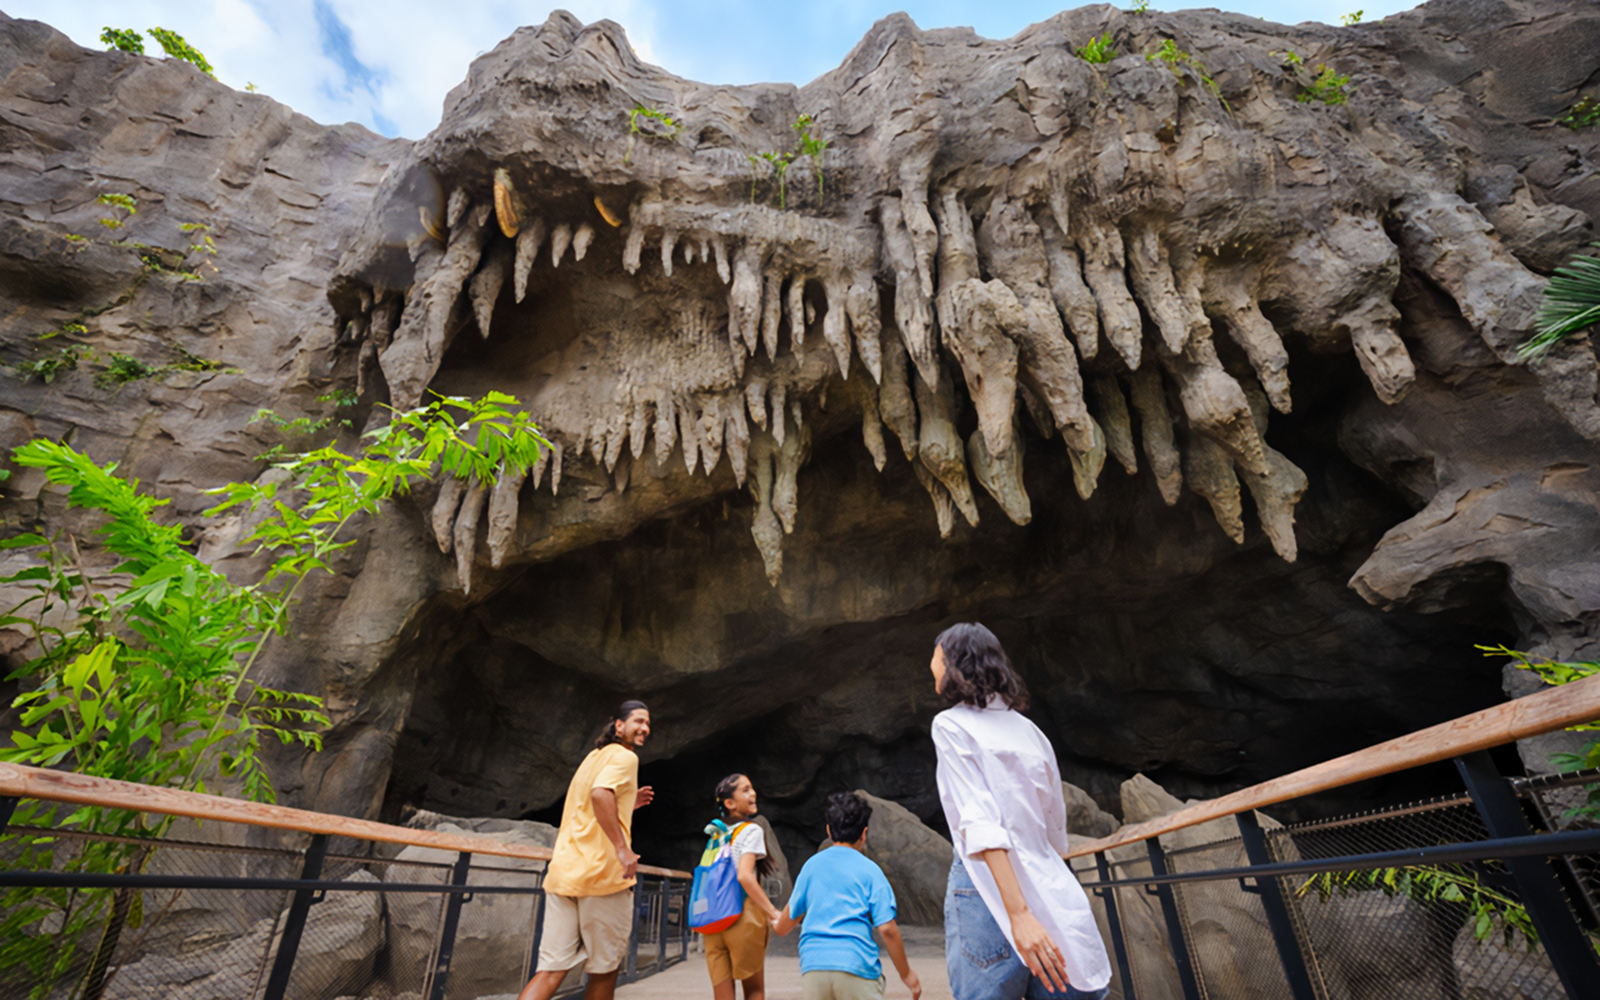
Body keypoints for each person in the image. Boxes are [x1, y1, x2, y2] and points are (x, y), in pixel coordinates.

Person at [929, 623, 1111, 1000]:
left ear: (952, 664)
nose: (930, 666)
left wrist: (1020, 915)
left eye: (935, 657)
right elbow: (1053, 828)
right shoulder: (1031, 733)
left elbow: (980, 822)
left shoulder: (950, 725)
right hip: (1047, 878)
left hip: (984, 883)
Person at [517, 700, 656, 1000]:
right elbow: (600, 794)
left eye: (647, 723)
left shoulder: (594, 757)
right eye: (638, 721)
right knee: (604, 970)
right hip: (602, 877)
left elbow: (589, 806)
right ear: (619, 726)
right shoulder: (625, 757)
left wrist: (629, 803)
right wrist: (622, 850)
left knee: (551, 971)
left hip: (564, 874)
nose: (645, 728)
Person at [773, 792, 922, 1000]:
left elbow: (783, 926)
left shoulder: (811, 866)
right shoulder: (871, 871)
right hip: (855, 965)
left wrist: (774, 919)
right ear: (864, 833)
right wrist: (906, 974)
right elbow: (887, 928)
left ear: (828, 831)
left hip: (813, 967)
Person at [703, 773, 783, 1000]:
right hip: (742, 916)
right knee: (754, 990)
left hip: (713, 920)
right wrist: (772, 911)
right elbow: (744, 876)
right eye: (746, 790)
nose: (753, 793)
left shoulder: (715, 834)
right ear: (730, 803)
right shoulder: (752, 830)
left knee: (722, 993)